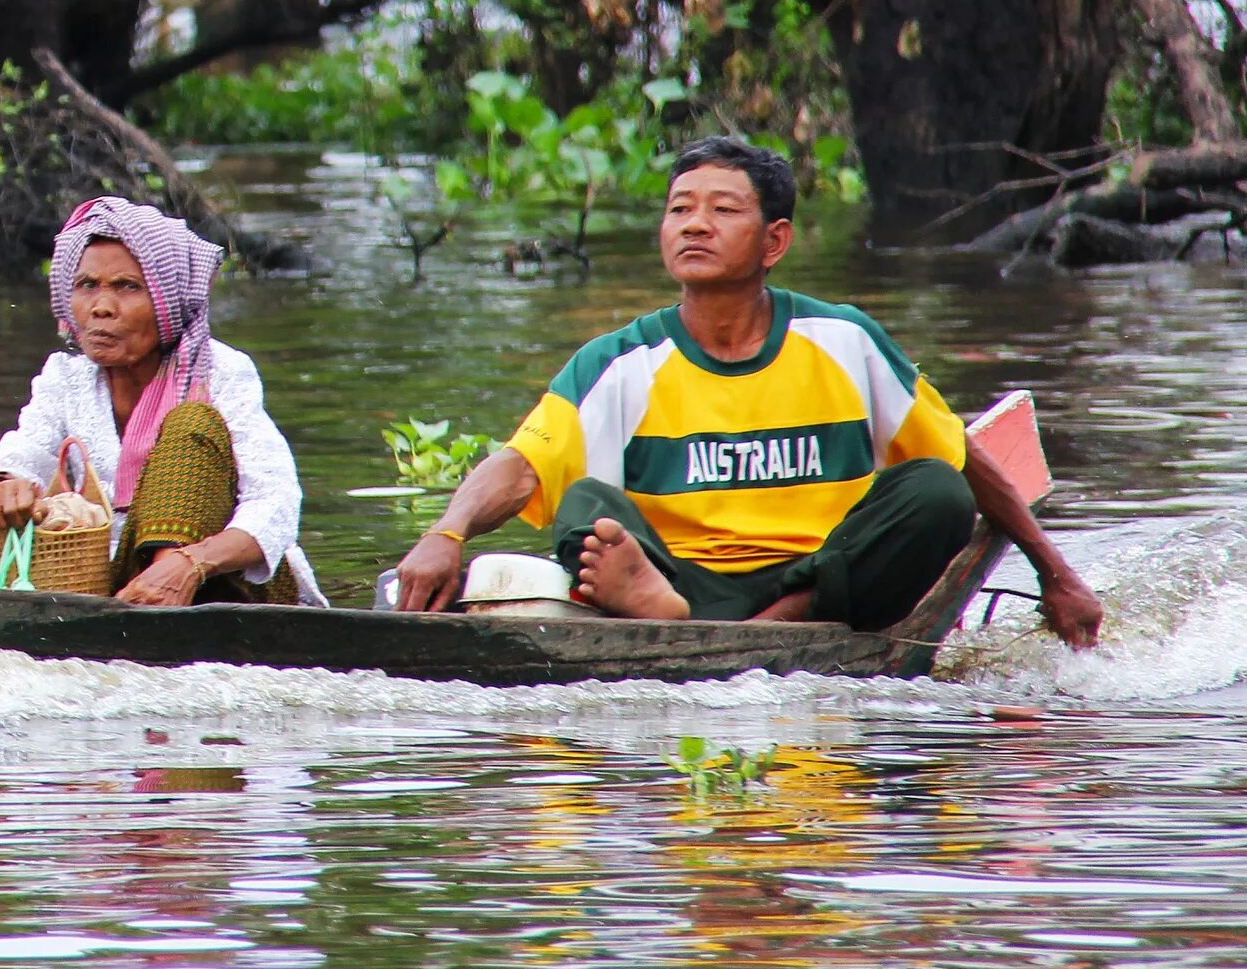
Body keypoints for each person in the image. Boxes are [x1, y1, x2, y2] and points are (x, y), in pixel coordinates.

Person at [390, 136, 1104, 645]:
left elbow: (967, 458)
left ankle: (747, 631)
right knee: (583, 504)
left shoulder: (843, 341)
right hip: (670, 579)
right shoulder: (622, 360)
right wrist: (444, 533)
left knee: (936, 492)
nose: (694, 224)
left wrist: (1056, 573)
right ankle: (678, 616)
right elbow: (520, 467)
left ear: (775, 241)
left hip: (821, 579)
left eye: (723, 210)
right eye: (679, 209)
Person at [0, 197, 320, 607]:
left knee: (192, 424)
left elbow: (275, 503)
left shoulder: (221, 372)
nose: (101, 307)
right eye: (88, 285)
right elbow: (27, 452)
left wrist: (190, 564)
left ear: (167, 300)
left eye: (127, 287)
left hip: (225, 584)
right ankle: (149, 592)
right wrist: (7, 483)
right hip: (110, 582)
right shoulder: (65, 378)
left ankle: (166, 579)